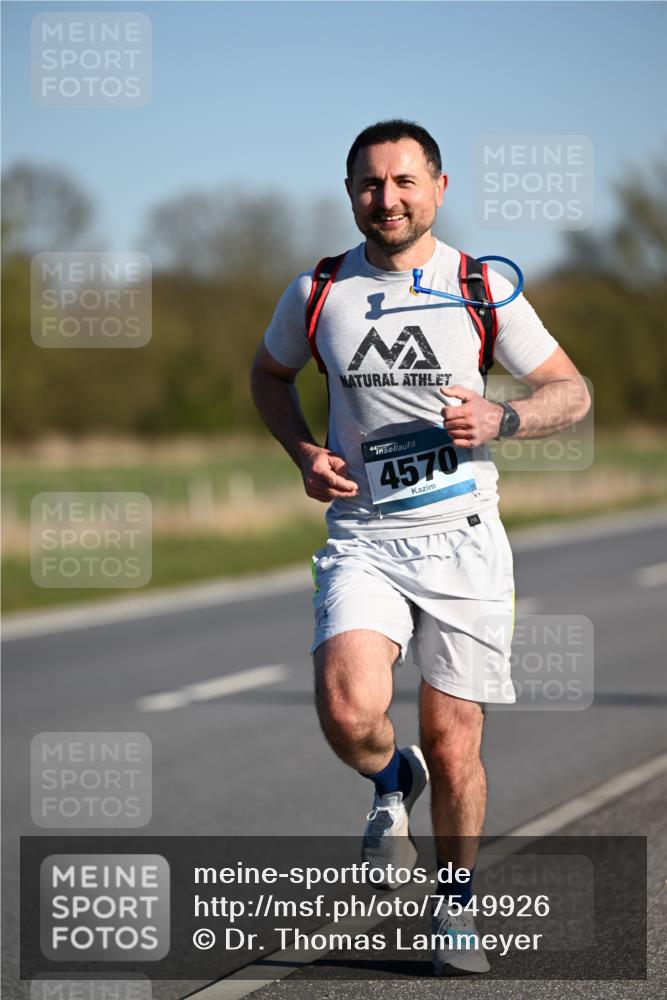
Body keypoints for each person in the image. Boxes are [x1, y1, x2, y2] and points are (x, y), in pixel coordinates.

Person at [250, 119, 590, 975]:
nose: (387, 198)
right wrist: (302, 452)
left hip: (462, 539)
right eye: (370, 183)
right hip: (364, 535)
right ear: (349, 193)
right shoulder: (317, 291)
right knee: (347, 710)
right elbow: (268, 374)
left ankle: (456, 909)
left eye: (404, 181)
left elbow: (569, 390)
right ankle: (386, 779)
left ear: (437, 187)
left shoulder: (480, 287)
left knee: (452, 738)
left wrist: (504, 417)